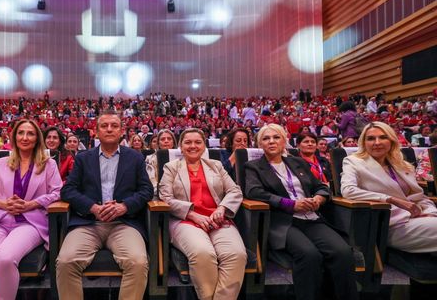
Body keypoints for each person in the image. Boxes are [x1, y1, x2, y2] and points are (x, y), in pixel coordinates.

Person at [245, 123, 358, 300]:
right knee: (309, 255)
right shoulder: (253, 166)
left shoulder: (297, 162)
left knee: (342, 252)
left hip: (311, 217)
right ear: (260, 144)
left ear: (284, 142)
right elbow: (254, 192)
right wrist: (291, 204)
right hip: (283, 221)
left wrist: (319, 198)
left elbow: (320, 186)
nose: (271, 142)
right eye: (266, 139)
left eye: (276, 137)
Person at [56, 110, 153, 300]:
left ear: (121, 131)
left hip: (124, 223)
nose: (109, 129)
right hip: (88, 223)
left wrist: (124, 206)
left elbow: (146, 191)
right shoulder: (84, 158)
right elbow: (68, 191)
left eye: (114, 126)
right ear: (96, 131)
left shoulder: (135, 158)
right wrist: (93, 207)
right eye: (104, 126)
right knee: (66, 261)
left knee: (138, 262)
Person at [0, 119, 62, 299]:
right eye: (20, 133)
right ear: (14, 137)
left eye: (30, 133)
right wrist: (3, 204)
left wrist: (32, 204)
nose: (25, 137)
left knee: (5, 259)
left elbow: (57, 192)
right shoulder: (1, 163)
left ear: (37, 138)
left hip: (30, 223)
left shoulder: (49, 164)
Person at [158, 128, 246, 299]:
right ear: (181, 147)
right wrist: (192, 214)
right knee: (203, 253)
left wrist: (222, 208)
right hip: (185, 221)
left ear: (204, 146)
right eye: (188, 142)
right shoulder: (171, 167)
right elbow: (166, 198)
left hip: (217, 219)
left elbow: (235, 191)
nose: (193, 146)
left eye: (198, 142)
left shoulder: (216, 165)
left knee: (236, 254)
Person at [341, 122, 437, 253]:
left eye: (383, 137)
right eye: (370, 138)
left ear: (391, 140)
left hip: (420, 218)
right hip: (391, 224)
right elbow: (348, 190)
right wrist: (390, 199)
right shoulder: (353, 162)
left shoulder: (402, 164)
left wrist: (430, 213)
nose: (377, 142)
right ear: (363, 142)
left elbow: (420, 197)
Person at [145, 129, 177, 195]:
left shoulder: (182, 157)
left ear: (173, 142)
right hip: (157, 193)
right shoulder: (149, 159)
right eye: (162, 139)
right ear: (158, 144)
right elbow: (151, 179)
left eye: (169, 139)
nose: (166, 141)